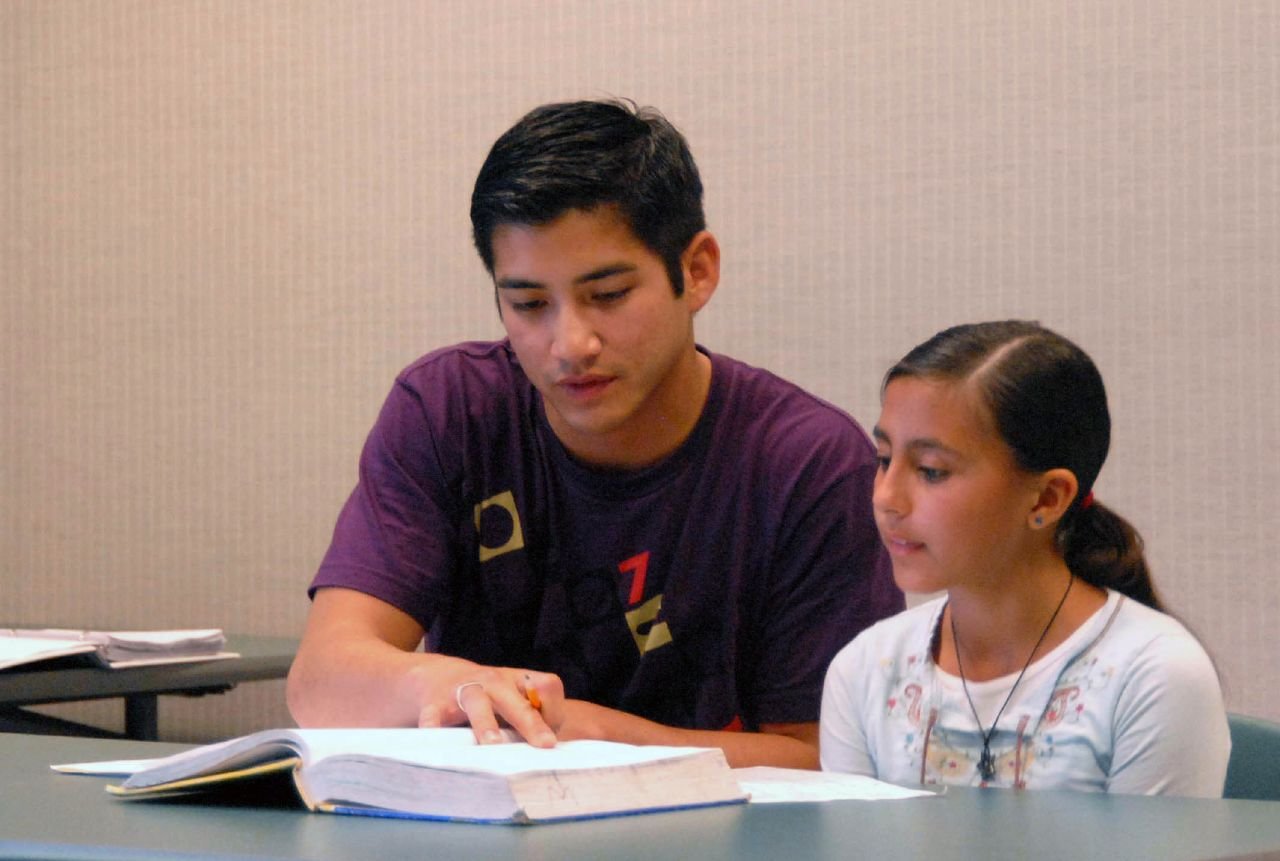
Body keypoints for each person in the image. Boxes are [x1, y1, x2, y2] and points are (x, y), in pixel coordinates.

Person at [286, 99, 903, 769]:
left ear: (696, 271)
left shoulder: (806, 464)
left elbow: (827, 759)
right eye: (528, 304)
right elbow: (320, 682)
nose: (570, 344)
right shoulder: (449, 412)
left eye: (607, 295)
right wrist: (446, 684)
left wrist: (591, 731)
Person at [820, 320, 1229, 795]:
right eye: (884, 459)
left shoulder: (1154, 676)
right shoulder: (865, 670)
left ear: (1047, 498)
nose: (886, 498)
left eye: (931, 471)